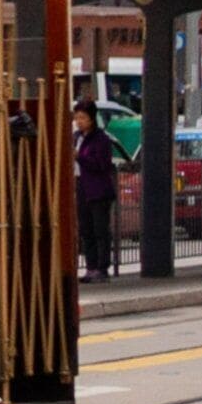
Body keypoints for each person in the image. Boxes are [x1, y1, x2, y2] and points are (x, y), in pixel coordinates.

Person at [75, 112, 121, 280]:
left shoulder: (100, 139)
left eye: (83, 118)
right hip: (82, 188)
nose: (79, 122)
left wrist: (80, 157)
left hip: (98, 190)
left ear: (92, 119)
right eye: (77, 118)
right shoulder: (76, 137)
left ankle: (102, 268)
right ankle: (91, 267)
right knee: (86, 230)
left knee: (100, 230)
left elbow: (101, 164)